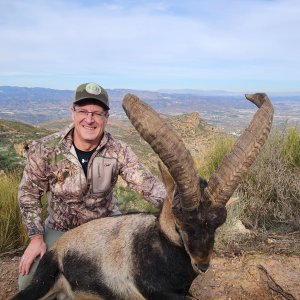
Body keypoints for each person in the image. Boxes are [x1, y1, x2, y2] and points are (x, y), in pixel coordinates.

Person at [18, 82, 166, 290]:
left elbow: (147, 185)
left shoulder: (119, 151)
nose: (89, 119)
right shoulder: (45, 150)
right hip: (60, 229)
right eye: (83, 111)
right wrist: (36, 238)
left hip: (106, 229)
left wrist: (179, 203)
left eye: (97, 113)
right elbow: (28, 195)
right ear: (73, 113)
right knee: (29, 284)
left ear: (106, 117)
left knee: (120, 282)